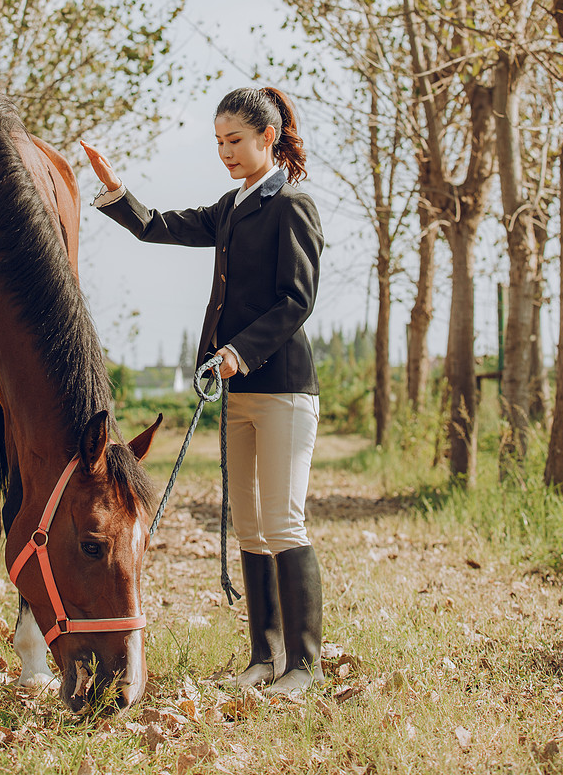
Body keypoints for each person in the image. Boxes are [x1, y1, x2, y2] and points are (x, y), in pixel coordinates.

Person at [81, 86, 324, 695]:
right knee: (247, 527)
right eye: (218, 143)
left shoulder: (292, 205)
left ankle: (305, 666)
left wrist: (240, 351)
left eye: (235, 141)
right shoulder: (231, 206)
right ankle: (263, 660)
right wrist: (116, 193)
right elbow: (159, 227)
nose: (225, 153)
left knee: (283, 522)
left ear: (268, 137)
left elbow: (297, 300)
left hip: (284, 390)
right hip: (235, 392)